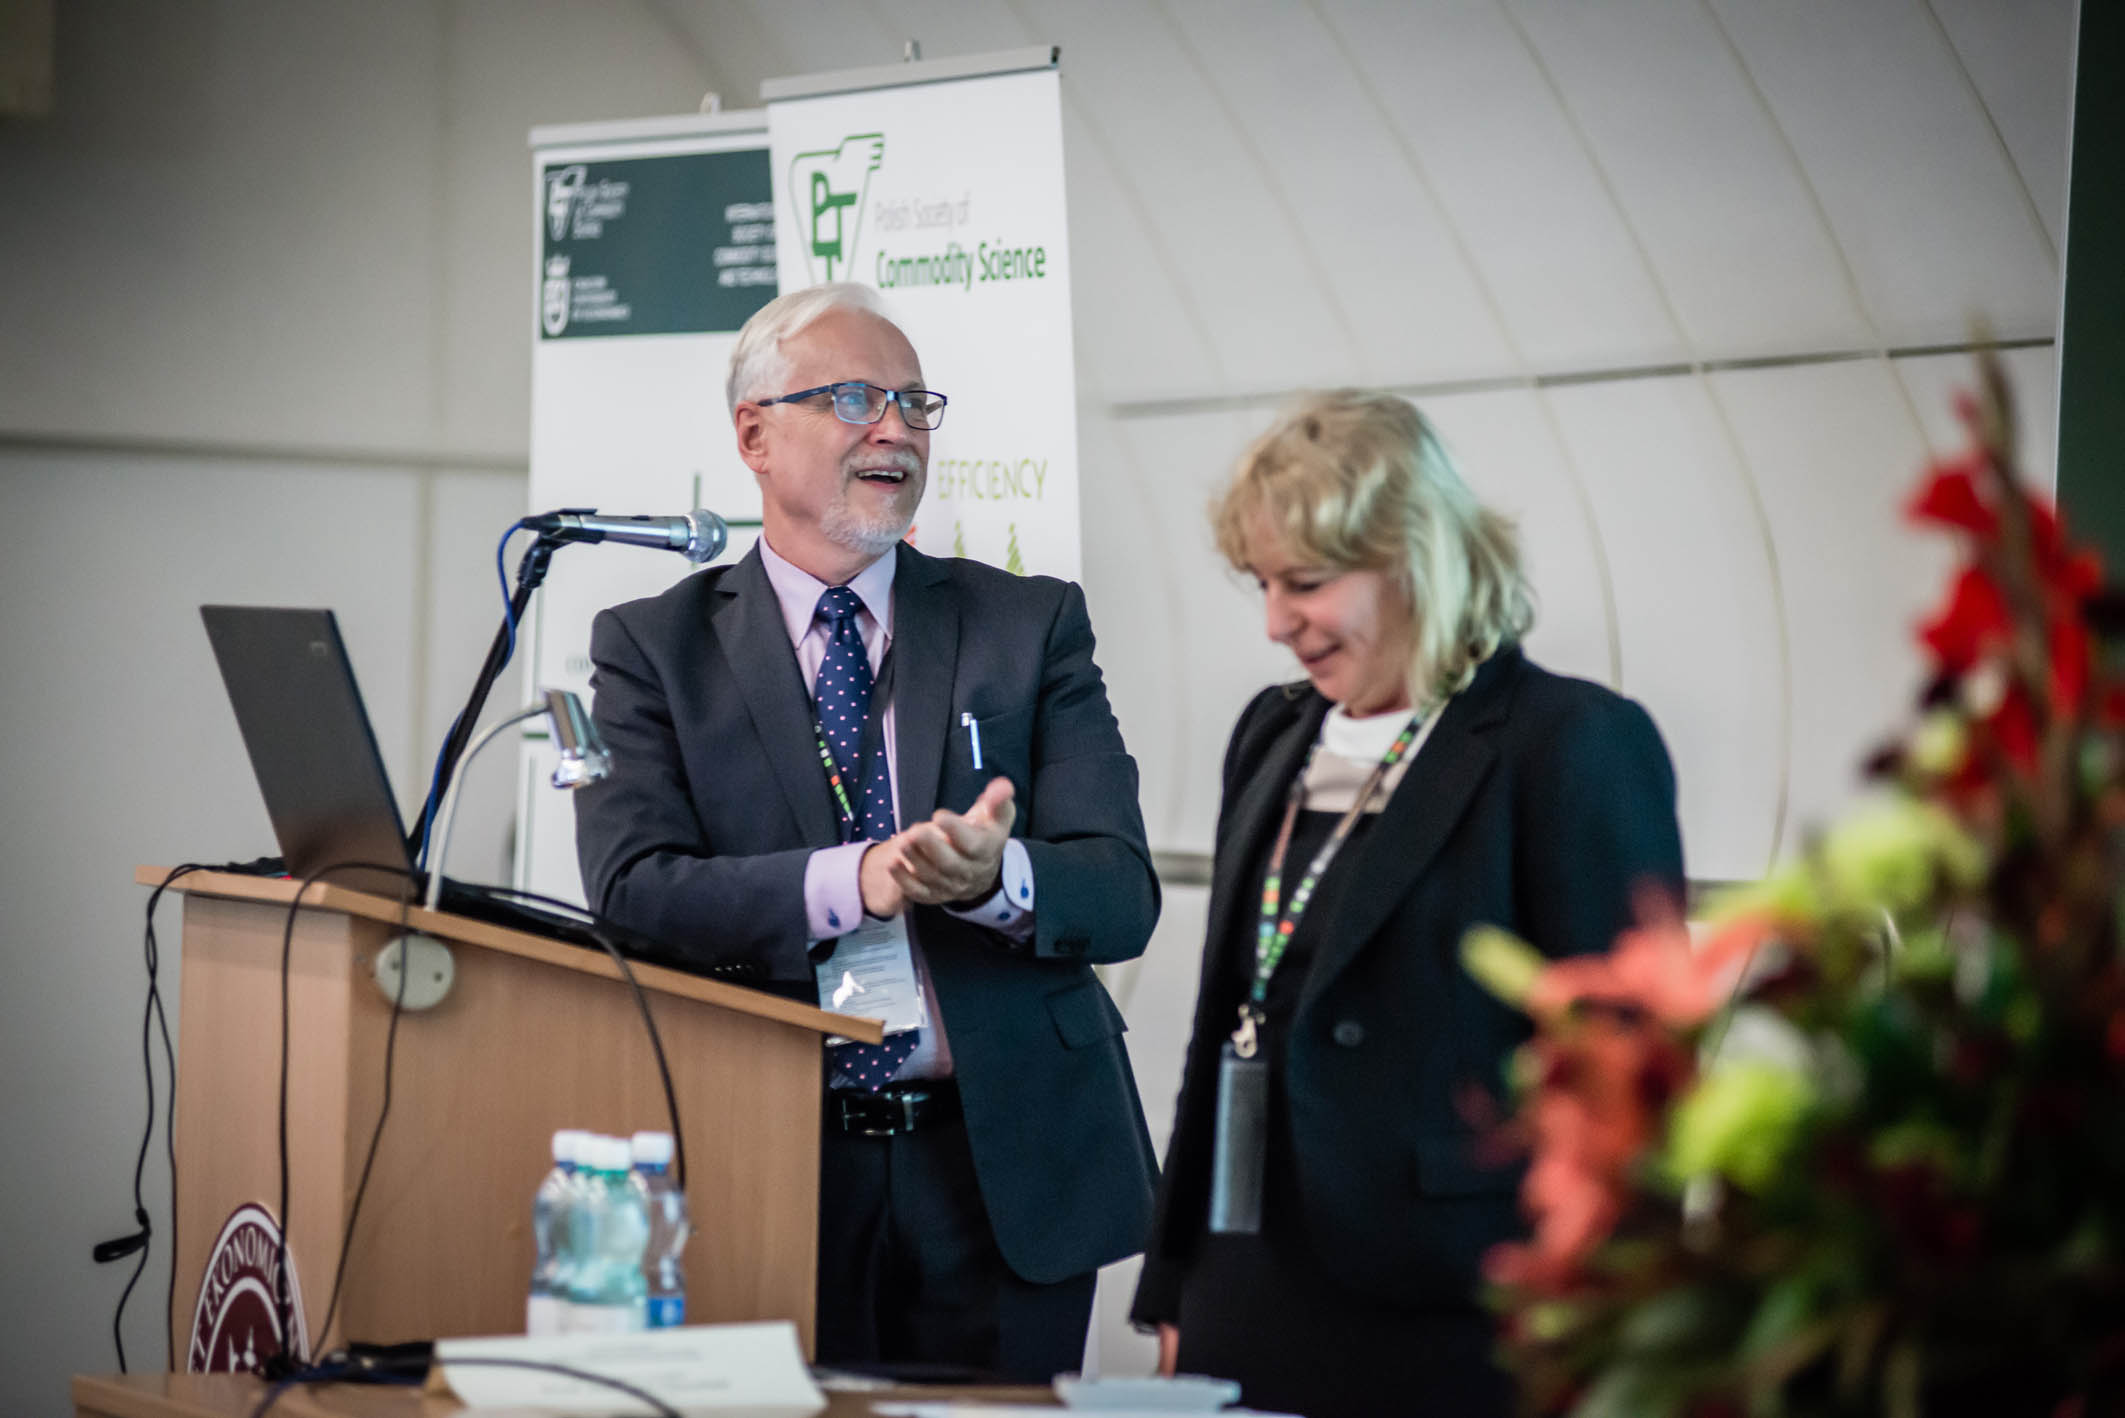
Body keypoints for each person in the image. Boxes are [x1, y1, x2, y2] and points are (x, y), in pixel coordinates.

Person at [574, 282, 1160, 1382]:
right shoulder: (655, 649)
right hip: (770, 1155)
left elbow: (1121, 892)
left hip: (1000, 1163)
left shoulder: (1025, 624)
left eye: (913, 403)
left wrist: (992, 878)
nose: (895, 428)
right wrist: (857, 879)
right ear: (753, 435)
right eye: (853, 399)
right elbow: (636, 887)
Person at [1128, 390, 1685, 1418]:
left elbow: (1627, 1079)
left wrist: (1614, 1340)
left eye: (1306, 583)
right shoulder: (1272, 731)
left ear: (1416, 559)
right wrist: (1172, 1285)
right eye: (1261, 583)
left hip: (1456, 1300)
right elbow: (1224, 1025)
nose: (1275, 622)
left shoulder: (1568, 743)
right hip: (1245, 1278)